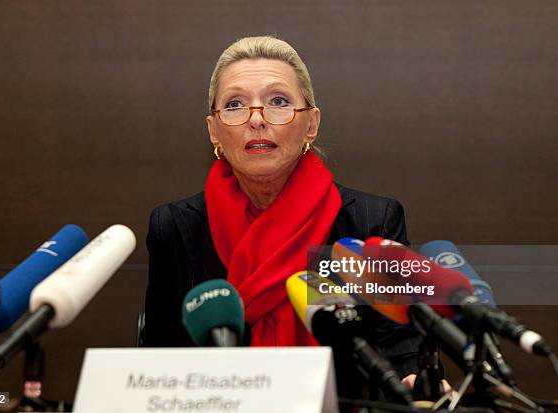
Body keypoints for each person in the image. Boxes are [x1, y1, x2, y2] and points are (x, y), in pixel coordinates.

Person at [144, 35, 421, 387]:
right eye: (234, 105)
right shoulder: (176, 227)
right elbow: (159, 358)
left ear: (311, 124)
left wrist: (414, 381)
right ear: (213, 131)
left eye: (278, 101)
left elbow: (402, 349)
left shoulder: (371, 221)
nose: (256, 119)